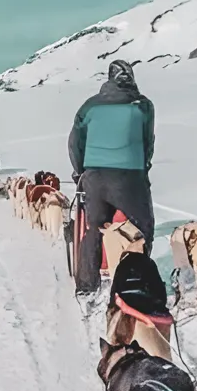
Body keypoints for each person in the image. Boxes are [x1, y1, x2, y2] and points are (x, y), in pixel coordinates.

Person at [68, 59, 155, 295]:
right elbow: (148, 141)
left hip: (94, 176)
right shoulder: (143, 105)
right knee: (142, 227)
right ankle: (138, 279)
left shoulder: (90, 106)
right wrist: (143, 168)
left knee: (94, 227)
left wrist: (80, 172)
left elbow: (75, 142)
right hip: (130, 176)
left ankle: (86, 284)